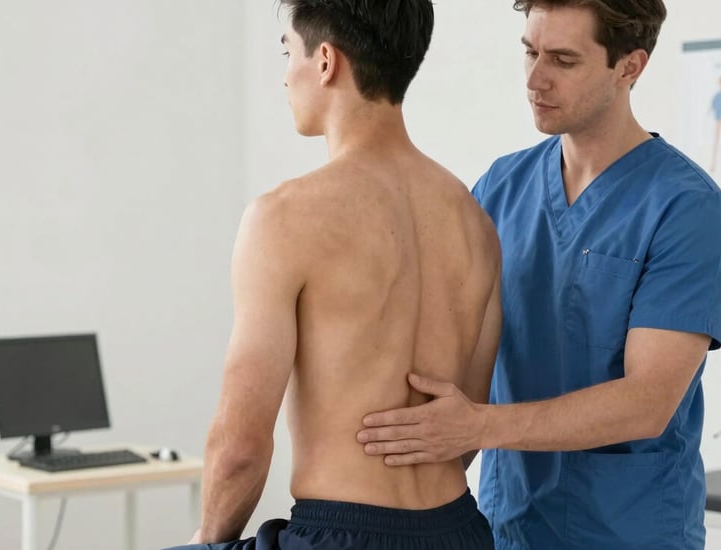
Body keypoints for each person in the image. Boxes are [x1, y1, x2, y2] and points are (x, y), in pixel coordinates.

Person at [357, 1, 721, 548]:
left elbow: (649, 401)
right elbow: (448, 346)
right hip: (508, 523)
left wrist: (478, 426)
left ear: (630, 67)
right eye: (530, 52)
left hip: (630, 532)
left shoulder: (686, 209)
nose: (536, 79)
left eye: (563, 60)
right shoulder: (500, 187)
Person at [164, 1, 502, 549]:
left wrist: (208, 540)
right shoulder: (476, 223)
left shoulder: (284, 218)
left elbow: (241, 446)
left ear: (325, 61)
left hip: (342, 534)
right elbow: (463, 432)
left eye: (287, 52)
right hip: (458, 530)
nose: (283, 74)